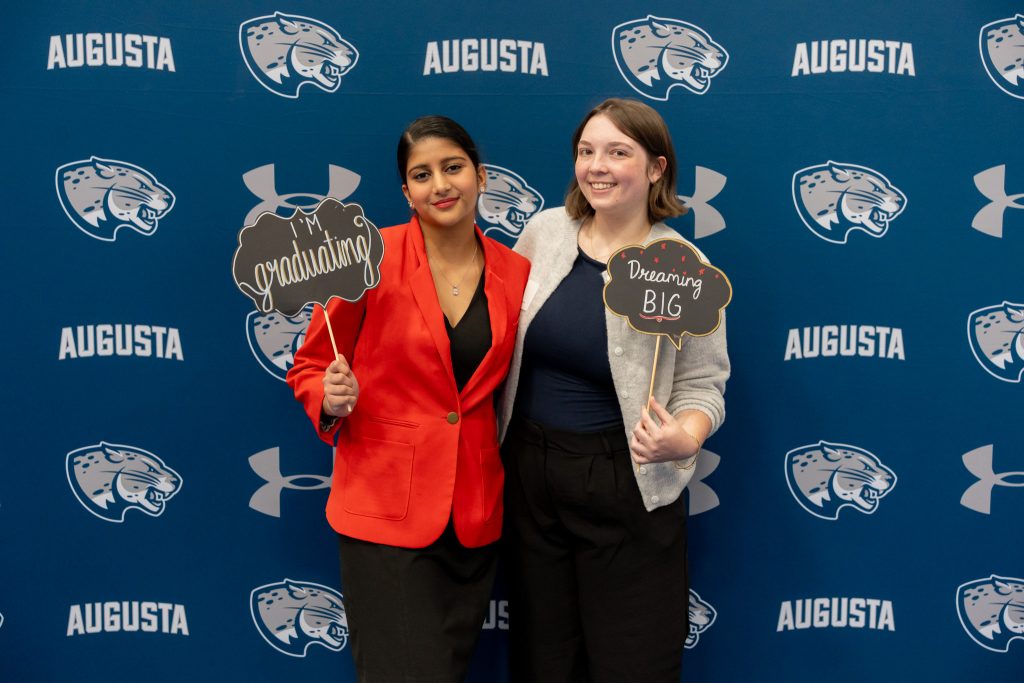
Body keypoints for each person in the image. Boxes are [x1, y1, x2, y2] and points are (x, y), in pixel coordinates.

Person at [287, 115, 530, 682]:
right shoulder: (367, 258)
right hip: (385, 511)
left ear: (481, 175)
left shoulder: (516, 273)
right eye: (422, 175)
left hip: (473, 515)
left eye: (452, 167)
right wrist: (329, 393)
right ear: (406, 193)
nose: (440, 185)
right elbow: (310, 365)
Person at [497, 98, 730, 682]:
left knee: (632, 659)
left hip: (624, 479)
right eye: (586, 151)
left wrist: (686, 436)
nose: (597, 166)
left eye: (617, 152)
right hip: (530, 473)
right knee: (542, 657)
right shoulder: (544, 232)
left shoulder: (682, 266)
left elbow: (705, 381)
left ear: (656, 169)